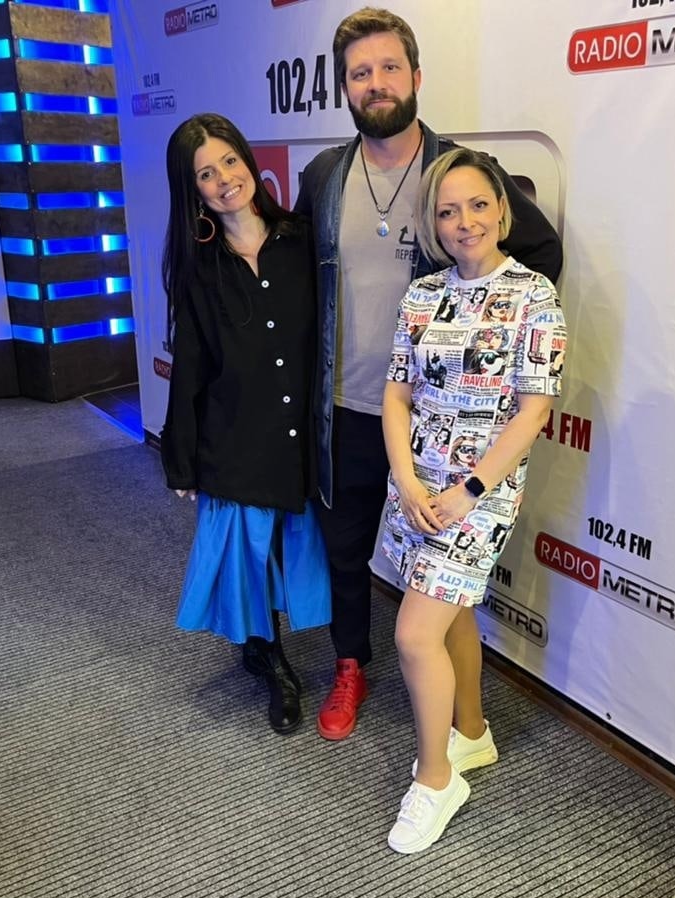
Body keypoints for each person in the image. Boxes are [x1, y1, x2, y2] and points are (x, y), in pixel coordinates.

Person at [295, 7, 563, 741]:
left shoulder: (458, 172)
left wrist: (488, 349)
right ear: (344, 88)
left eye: (389, 67)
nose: (375, 83)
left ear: (415, 76)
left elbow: (538, 256)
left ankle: (462, 726)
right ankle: (350, 665)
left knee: (441, 574)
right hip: (348, 407)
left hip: (440, 427)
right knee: (345, 550)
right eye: (360, 73)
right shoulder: (323, 177)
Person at [380, 148, 566, 853]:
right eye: (448, 211)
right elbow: (396, 395)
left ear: (503, 211)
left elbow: (533, 410)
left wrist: (471, 490)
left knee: (413, 635)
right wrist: (407, 481)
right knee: (451, 613)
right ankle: (473, 732)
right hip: (417, 489)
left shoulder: (534, 296)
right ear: (433, 224)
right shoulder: (423, 295)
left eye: (478, 205)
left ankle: (436, 780)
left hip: (479, 496)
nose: (465, 222)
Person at [161, 113, 329, 734]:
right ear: (193, 190)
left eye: (229, 161)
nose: (224, 179)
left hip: (304, 434)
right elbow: (192, 367)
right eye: (206, 173)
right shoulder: (199, 268)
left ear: (248, 160)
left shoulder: (303, 239)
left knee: (298, 551)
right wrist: (182, 459)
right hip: (236, 438)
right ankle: (272, 662)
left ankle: (307, 654)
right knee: (251, 561)